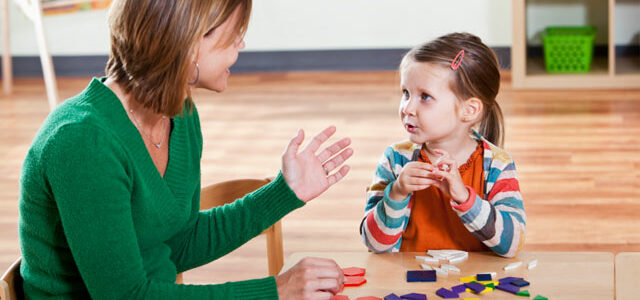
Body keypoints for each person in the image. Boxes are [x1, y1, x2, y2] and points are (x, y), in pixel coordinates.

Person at [19, 0, 353, 299]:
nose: (242, 43)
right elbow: (127, 296)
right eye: (234, 33)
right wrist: (275, 291)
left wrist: (283, 192)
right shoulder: (82, 142)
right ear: (189, 41)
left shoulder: (181, 115)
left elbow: (177, 243)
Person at [359, 33, 525, 257]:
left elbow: (512, 245)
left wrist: (466, 199)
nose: (407, 108)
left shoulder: (498, 165)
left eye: (425, 97)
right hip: (409, 284)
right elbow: (374, 244)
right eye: (406, 93)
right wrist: (396, 193)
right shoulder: (395, 160)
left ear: (469, 110)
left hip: (475, 286)